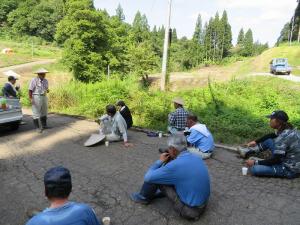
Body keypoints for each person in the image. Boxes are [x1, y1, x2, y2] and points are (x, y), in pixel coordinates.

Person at [130, 134, 210, 220]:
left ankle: (143, 198)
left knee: (157, 178)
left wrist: (159, 162)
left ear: (174, 150)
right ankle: (162, 193)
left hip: (190, 211)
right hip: (203, 204)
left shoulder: (175, 165)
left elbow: (148, 177)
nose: (167, 150)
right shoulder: (196, 156)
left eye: (169, 148)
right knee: (175, 177)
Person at [26, 166, 102, 225]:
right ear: (70, 189)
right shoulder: (86, 210)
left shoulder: (32, 223)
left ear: (45, 192)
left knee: (35, 216)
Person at [238, 110, 300, 179]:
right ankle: (247, 151)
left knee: (255, 169)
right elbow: (271, 135)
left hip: (290, 169)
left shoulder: (282, 138)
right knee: (269, 141)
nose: (269, 121)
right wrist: (256, 141)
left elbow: (276, 160)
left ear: (278, 121)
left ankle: (256, 160)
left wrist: (255, 162)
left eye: (271, 119)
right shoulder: (288, 129)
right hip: (289, 159)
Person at [29, 68, 50, 132]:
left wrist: (47, 90)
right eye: (42, 74)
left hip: (44, 96)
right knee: (36, 112)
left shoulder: (46, 80)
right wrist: (31, 98)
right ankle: (37, 128)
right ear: (38, 74)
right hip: (36, 96)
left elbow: (46, 89)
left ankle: (44, 125)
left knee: (44, 111)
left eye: (44, 74)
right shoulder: (34, 80)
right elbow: (30, 90)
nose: (44, 75)